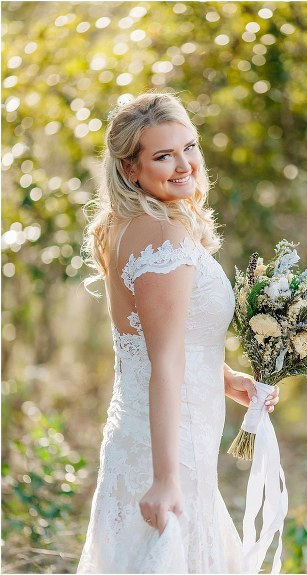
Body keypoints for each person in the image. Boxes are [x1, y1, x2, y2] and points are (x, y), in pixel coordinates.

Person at [77, 92, 279, 572]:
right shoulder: (162, 237)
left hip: (156, 427)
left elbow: (163, 343)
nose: (183, 164)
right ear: (131, 169)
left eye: (189, 147)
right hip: (171, 441)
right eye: (163, 155)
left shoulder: (134, 225)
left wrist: (228, 379)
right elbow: (164, 363)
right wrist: (167, 478)